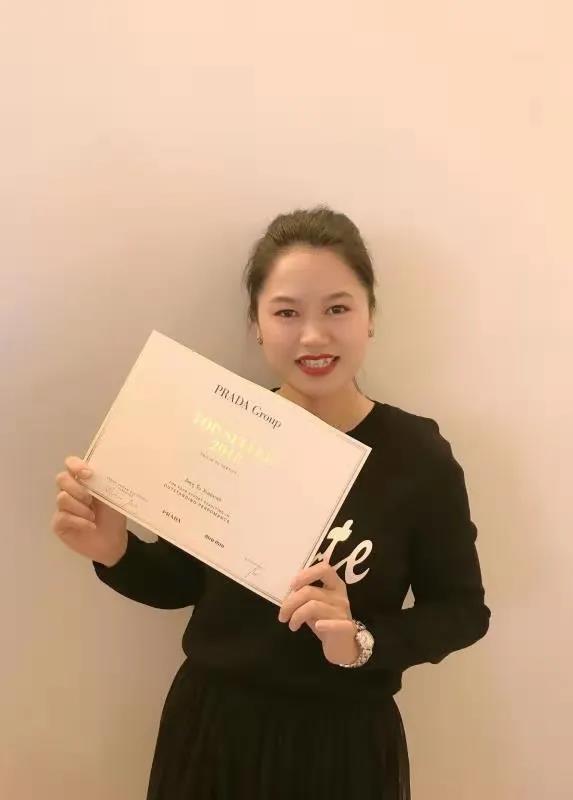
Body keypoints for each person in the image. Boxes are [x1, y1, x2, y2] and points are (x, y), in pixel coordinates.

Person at [51, 206, 491, 800]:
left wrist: (360, 640)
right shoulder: (225, 432)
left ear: (370, 317)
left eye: (337, 308)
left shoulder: (418, 456)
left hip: (345, 744)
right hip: (213, 732)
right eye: (286, 312)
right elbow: (180, 584)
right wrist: (115, 551)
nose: (313, 336)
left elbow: (462, 611)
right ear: (257, 324)